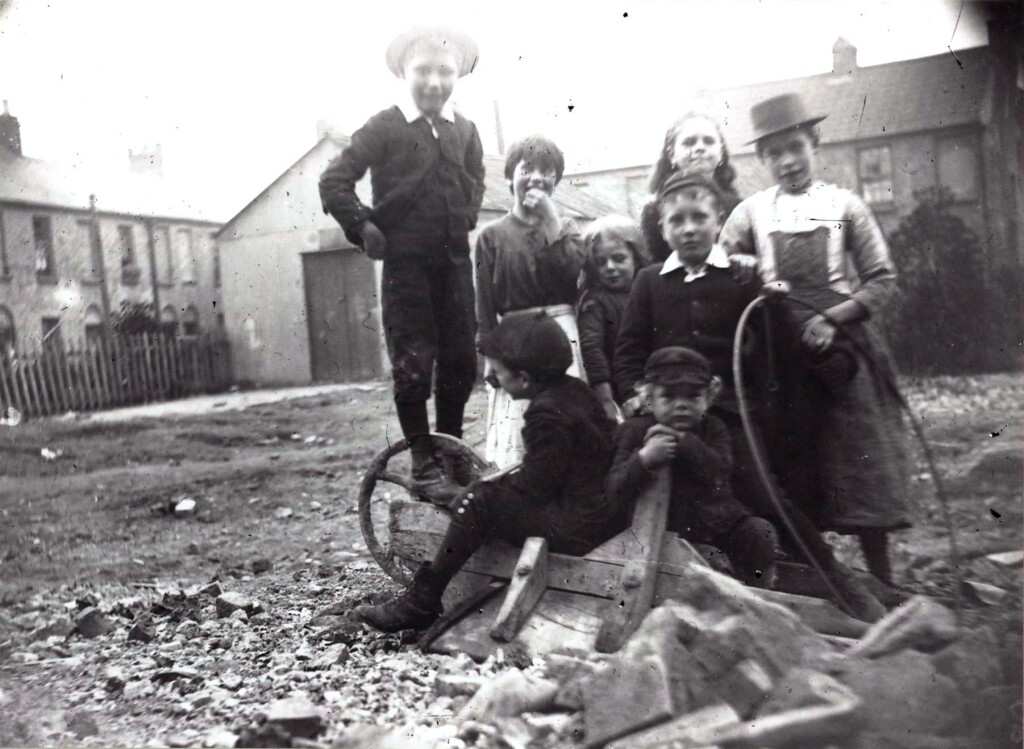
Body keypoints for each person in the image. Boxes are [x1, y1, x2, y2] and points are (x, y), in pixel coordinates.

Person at [616, 171, 886, 619]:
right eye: (676, 220)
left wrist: (772, 297)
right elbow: (627, 352)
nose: (688, 228)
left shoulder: (741, 279)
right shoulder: (649, 282)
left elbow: (774, 346)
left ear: (718, 219)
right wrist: (633, 394)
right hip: (662, 412)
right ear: (662, 229)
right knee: (630, 475)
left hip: (727, 414)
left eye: (699, 217)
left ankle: (837, 579)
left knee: (765, 493)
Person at [719, 92, 911, 588]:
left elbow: (881, 278)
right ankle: (808, 572)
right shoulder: (750, 213)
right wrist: (739, 266)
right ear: (760, 159)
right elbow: (718, 267)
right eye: (774, 152)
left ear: (814, 144)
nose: (787, 161)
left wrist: (832, 320)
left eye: (796, 147)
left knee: (859, 458)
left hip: (844, 350)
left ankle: (882, 578)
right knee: (792, 460)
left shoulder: (845, 204)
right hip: (781, 356)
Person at [354, 312, 624, 632]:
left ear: (523, 379)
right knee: (485, 495)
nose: (494, 377)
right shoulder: (577, 391)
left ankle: (423, 600)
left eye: (498, 371)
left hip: (574, 527)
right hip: (591, 511)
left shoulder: (546, 413)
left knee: (478, 502)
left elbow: (535, 488)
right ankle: (425, 594)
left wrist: (473, 494)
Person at [319, 27, 486, 501]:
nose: (434, 82)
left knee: (459, 360)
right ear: (404, 73)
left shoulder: (466, 129)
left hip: (454, 263)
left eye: (445, 72)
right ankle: (422, 460)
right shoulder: (384, 127)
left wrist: (468, 214)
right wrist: (363, 227)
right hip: (406, 268)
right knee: (413, 363)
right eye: (423, 71)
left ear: (457, 75)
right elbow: (335, 180)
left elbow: (476, 177)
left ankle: (451, 453)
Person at [608, 347, 779, 587]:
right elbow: (614, 488)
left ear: (708, 398)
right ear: (648, 399)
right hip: (668, 534)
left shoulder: (713, 428)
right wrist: (644, 458)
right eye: (668, 397)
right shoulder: (634, 431)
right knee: (712, 565)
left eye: (693, 396)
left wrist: (684, 441)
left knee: (760, 533)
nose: (682, 405)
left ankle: (762, 592)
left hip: (719, 525)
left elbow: (720, 470)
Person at [475, 135, 587, 468]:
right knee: (522, 429)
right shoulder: (491, 235)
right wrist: (490, 355)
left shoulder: (566, 227)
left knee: (565, 420)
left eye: (546, 170)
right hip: (513, 340)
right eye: (527, 168)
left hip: (560, 332)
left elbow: (570, 274)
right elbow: (483, 303)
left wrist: (551, 221)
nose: (537, 177)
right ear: (509, 177)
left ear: (556, 180)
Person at [640, 112, 743, 263]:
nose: (700, 147)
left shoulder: (739, 207)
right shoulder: (654, 211)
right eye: (689, 142)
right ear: (672, 155)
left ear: (720, 152)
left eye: (708, 141)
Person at [577, 215, 649, 421]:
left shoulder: (647, 291)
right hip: (619, 391)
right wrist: (605, 399)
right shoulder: (595, 302)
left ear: (635, 257)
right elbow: (592, 348)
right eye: (600, 262)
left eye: (619, 258)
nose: (609, 267)